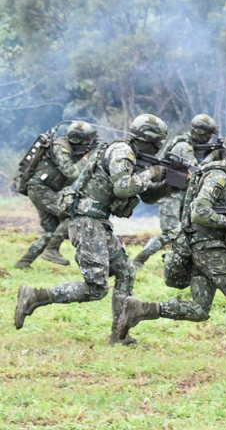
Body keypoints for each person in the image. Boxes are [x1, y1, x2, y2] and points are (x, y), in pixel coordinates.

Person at [114, 129, 226, 369]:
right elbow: (200, 211)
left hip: (201, 247)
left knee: (199, 310)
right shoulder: (218, 176)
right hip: (206, 248)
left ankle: (140, 309)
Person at [14, 114, 171, 344]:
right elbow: (123, 188)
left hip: (97, 222)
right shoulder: (122, 151)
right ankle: (35, 296)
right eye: (159, 141)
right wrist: (151, 173)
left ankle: (120, 335)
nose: (160, 146)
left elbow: (147, 196)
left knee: (126, 272)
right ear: (150, 140)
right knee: (96, 288)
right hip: (87, 221)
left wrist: (171, 183)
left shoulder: (133, 155)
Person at [132, 114, 219, 269]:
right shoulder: (183, 146)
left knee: (188, 230)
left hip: (182, 193)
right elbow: (195, 172)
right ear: (199, 131)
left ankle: (177, 260)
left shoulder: (192, 145)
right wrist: (212, 157)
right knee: (170, 232)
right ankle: (140, 259)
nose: (210, 137)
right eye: (208, 133)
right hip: (170, 194)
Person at [14, 121, 96, 269]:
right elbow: (71, 173)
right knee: (74, 213)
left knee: (51, 232)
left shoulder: (72, 147)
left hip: (42, 190)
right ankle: (52, 250)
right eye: (87, 140)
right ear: (77, 139)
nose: (89, 143)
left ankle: (23, 263)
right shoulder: (60, 147)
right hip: (40, 189)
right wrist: (87, 158)